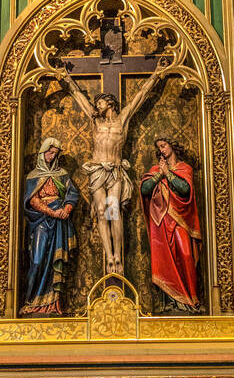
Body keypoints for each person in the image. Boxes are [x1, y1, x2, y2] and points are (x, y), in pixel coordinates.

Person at [57, 57, 173, 277]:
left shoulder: (122, 121)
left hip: (116, 172)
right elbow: (79, 98)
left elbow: (140, 97)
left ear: (109, 104)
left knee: (114, 212)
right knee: (102, 211)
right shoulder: (96, 123)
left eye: (100, 103)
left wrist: (157, 73)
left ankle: (118, 255)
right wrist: (66, 77)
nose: (96, 106)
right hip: (98, 171)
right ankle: (109, 255)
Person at [140, 137, 202, 313]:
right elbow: (145, 190)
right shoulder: (155, 170)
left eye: (164, 146)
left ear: (172, 146)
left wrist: (167, 173)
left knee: (185, 254)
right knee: (165, 262)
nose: (161, 150)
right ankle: (170, 303)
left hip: (180, 221)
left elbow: (185, 189)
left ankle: (188, 300)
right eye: (159, 147)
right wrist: (160, 173)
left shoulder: (184, 168)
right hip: (161, 223)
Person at [20, 137, 79, 316]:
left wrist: (66, 209)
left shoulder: (62, 174)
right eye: (49, 152)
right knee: (37, 260)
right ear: (42, 152)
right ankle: (30, 301)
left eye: (55, 154)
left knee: (55, 261)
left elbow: (72, 194)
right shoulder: (33, 176)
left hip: (60, 221)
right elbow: (33, 200)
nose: (52, 156)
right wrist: (53, 212)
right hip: (41, 221)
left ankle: (52, 305)